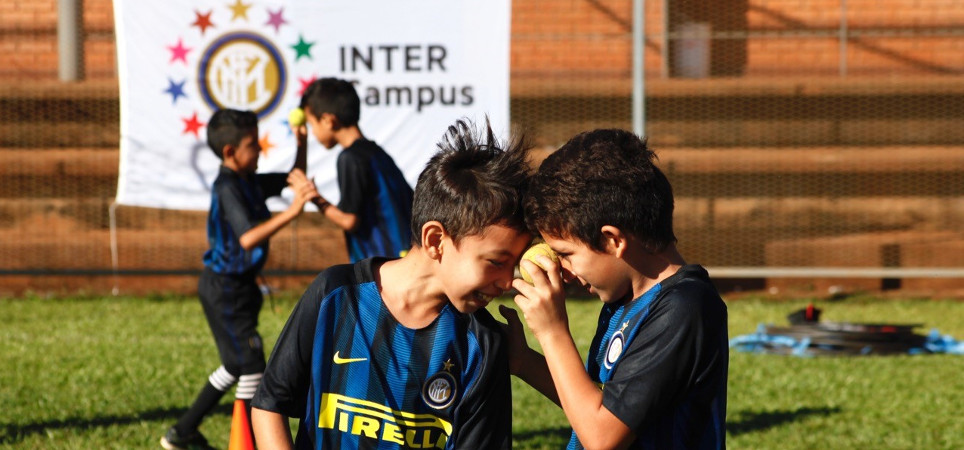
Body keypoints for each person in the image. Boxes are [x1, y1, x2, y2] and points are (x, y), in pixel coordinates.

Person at [251, 118, 532, 449]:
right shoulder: (336, 295)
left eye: (514, 265)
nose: (506, 281)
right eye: (497, 262)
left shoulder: (482, 344)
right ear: (435, 239)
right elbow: (270, 405)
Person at [502, 129, 728, 449]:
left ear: (613, 240)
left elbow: (602, 437)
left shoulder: (685, 308)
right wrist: (523, 361)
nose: (563, 271)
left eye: (566, 254)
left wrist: (552, 332)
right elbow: (604, 405)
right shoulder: (626, 300)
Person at [161, 109, 319, 450]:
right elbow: (248, 238)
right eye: (253, 144)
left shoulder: (248, 179)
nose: (260, 150)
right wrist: (292, 211)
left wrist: (302, 143)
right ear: (230, 152)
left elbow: (293, 178)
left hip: (239, 287)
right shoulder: (228, 187)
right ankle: (247, 442)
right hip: (224, 289)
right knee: (252, 366)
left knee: (236, 364)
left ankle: (182, 431)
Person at [289, 77, 414, 263]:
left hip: (381, 268)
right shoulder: (377, 153)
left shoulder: (349, 158)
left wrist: (314, 198)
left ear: (328, 120)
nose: (313, 132)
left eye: (312, 124)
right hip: (404, 259)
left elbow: (349, 221)